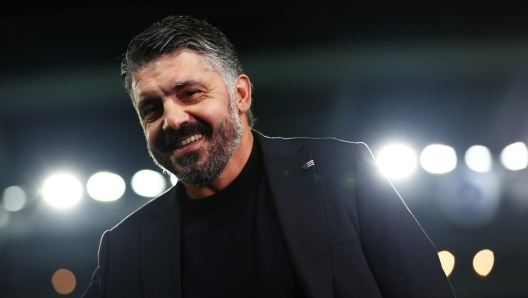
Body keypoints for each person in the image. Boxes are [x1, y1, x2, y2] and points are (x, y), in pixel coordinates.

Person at [83, 15, 455, 298]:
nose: (173, 119)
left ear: (240, 95)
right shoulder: (125, 250)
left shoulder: (343, 171)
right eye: (151, 109)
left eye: (191, 93)